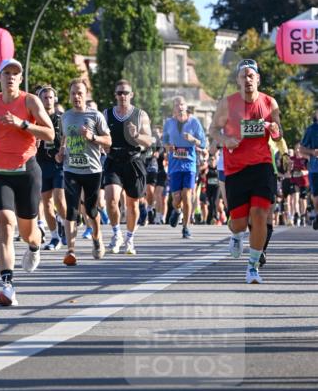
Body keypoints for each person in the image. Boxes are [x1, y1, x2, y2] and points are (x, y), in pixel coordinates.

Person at [0, 58, 54, 306]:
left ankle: (35, 247)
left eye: (15, 73)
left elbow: (50, 133)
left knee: (28, 234)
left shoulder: (30, 101)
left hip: (27, 172)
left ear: (20, 79)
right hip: (0, 173)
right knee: (5, 225)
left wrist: (23, 124)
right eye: (6, 73)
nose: (10, 77)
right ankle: (7, 286)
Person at [208, 58, 282, 285]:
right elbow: (213, 129)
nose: (248, 80)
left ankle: (252, 266)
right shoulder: (228, 104)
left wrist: (275, 129)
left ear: (258, 79)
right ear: (238, 80)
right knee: (239, 223)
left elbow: (278, 134)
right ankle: (236, 234)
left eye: (251, 76)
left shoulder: (269, 103)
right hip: (236, 169)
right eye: (244, 76)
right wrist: (225, 140)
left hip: (262, 166)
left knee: (260, 214)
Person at [56, 80, 111, 264]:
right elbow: (64, 137)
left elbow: (108, 141)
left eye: (80, 93)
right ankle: (70, 251)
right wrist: (61, 152)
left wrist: (92, 136)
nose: (76, 96)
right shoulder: (65, 117)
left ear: (86, 94)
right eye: (73, 93)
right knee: (71, 211)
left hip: (92, 170)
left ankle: (97, 237)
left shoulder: (95, 115)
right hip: (70, 169)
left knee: (91, 210)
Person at [102, 79, 154, 255]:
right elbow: (100, 136)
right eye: (119, 93)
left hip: (133, 161)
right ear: (115, 95)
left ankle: (130, 238)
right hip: (113, 160)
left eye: (125, 93)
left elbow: (149, 141)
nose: (122, 96)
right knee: (111, 199)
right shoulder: (107, 114)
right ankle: (116, 234)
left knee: (132, 205)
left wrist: (136, 135)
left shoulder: (140, 115)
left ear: (131, 95)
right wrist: (102, 144)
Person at [162, 97, 207, 240]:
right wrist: (168, 147)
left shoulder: (194, 122)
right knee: (176, 198)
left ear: (186, 106)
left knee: (187, 196)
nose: (179, 107)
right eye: (176, 105)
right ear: (174, 108)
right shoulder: (169, 123)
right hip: (174, 165)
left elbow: (203, 143)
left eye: (182, 104)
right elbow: (164, 141)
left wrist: (193, 139)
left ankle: (186, 227)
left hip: (189, 164)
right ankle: (177, 210)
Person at [36, 85, 66, 250]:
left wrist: (63, 149)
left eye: (50, 97)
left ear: (55, 99)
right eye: (44, 97)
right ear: (39, 100)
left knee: (59, 200)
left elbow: (68, 136)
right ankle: (55, 237)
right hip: (42, 165)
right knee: (46, 202)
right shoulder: (36, 119)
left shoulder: (61, 119)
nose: (48, 100)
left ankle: (64, 224)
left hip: (59, 164)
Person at [299, 109, 318, 230]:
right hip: (315, 168)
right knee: (316, 195)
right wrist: (312, 152)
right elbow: (301, 149)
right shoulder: (311, 130)